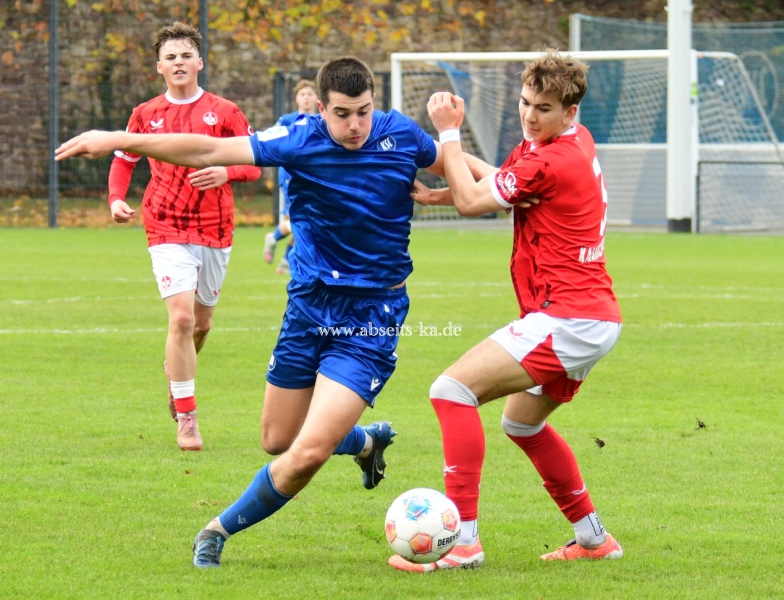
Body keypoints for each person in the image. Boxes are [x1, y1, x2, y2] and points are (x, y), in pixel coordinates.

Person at [56, 56, 446, 568]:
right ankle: (364, 441)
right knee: (277, 439)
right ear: (321, 108)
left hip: (371, 318)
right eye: (342, 114)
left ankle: (216, 530)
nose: (355, 125)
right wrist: (119, 139)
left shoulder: (401, 135)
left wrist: (503, 186)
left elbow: (461, 170)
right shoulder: (298, 138)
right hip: (309, 306)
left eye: (364, 111)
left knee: (307, 453)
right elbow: (207, 148)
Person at [388, 51, 624, 572]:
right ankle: (593, 539)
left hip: (567, 317)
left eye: (543, 108)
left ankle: (464, 543)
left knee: (451, 391)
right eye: (525, 103)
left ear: (570, 112)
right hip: (590, 316)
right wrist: (443, 194)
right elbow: (505, 184)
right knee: (522, 425)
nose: (529, 116)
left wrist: (449, 133)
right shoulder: (567, 143)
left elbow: (476, 203)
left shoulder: (551, 158)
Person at [106, 22, 261, 452]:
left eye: (185, 55)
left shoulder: (225, 112)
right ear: (159, 67)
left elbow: (255, 164)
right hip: (164, 223)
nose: (178, 62)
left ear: (200, 63)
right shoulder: (145, 114)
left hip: (215, 228)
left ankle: (175, 373)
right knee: (181, 319)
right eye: (170, 57)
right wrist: (116, 198)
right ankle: (188, 420)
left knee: (201, 324)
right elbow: (123, 159)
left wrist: (227, 171)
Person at [263, 79, 319, 275]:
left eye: (310, 94)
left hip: (313, 177)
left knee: (307, 220)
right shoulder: (287, 120)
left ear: (317, 98)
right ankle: (277, 243)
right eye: (303, 94)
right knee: (299, 218)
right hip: (290, 176)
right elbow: (268, 139)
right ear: (296, 98)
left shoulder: (322, 120)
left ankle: (283, 254)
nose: (306, 98)